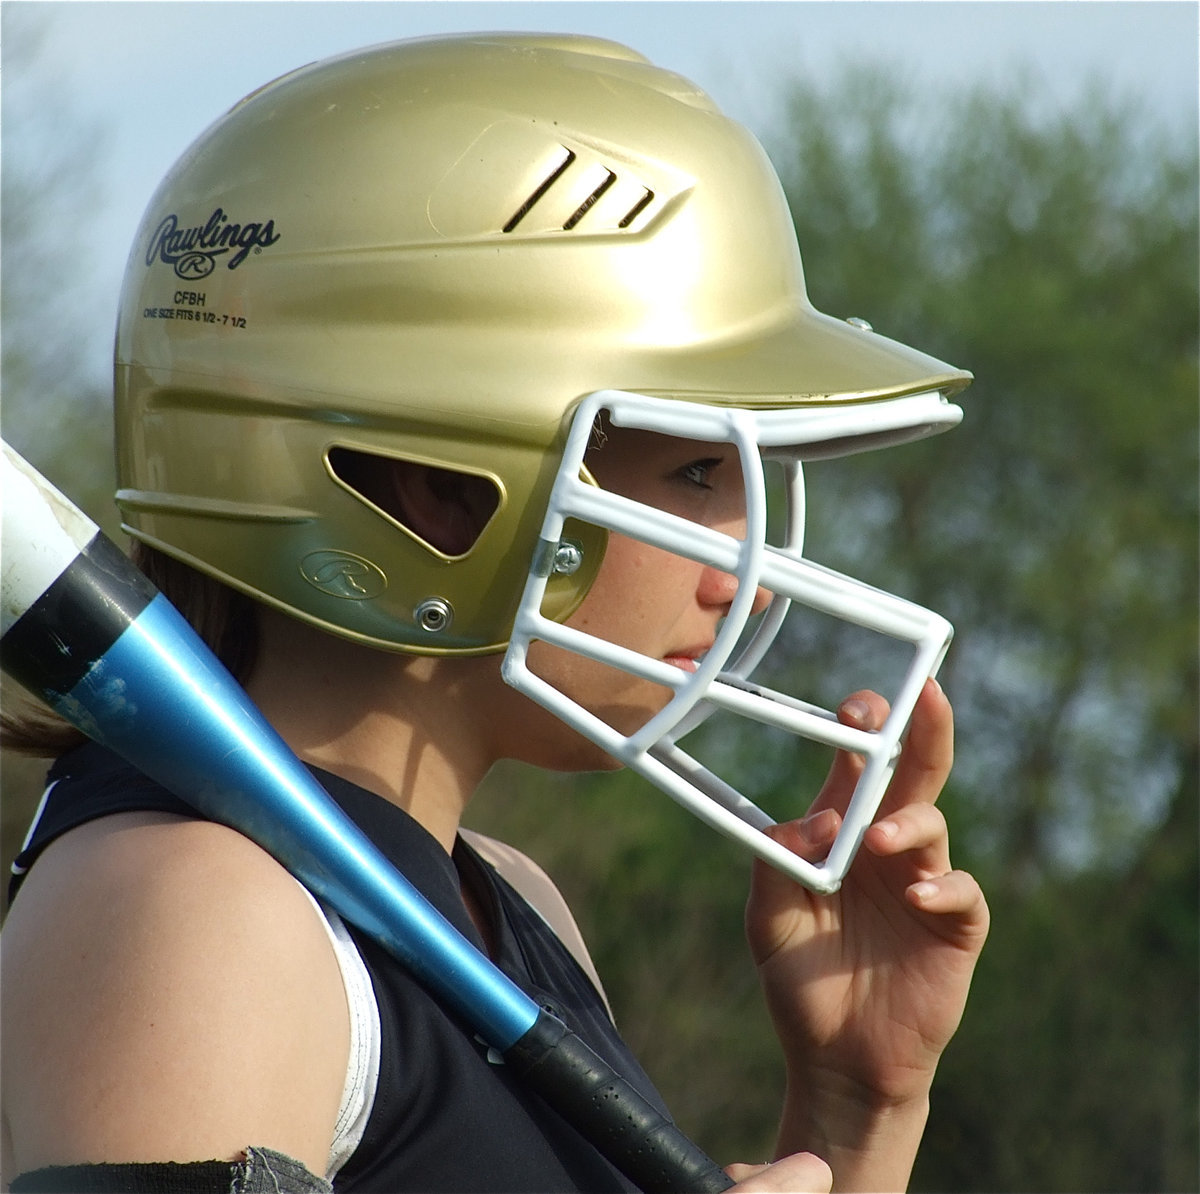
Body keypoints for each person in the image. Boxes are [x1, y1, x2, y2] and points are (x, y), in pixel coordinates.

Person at [0, 32, 988, 1194]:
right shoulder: (202, 912)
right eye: (692, 478)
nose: (747, 575)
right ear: (435, 482)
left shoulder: (513, 908)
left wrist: (853, 1112)